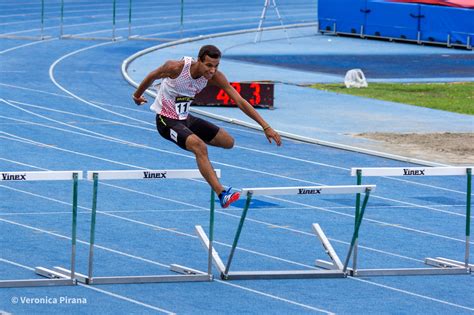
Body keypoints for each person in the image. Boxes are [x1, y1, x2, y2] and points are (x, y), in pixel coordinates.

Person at [132, 45, 282, 208]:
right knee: (199, 147)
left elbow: (239, 101)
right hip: (166, 120)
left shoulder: (215, 77)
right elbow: (152, 76)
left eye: (216, 66)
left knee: (228, 141)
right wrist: (137, 95)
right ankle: (222, 193)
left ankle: (191, 142)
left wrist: (266, 127)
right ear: (199, 60)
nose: (212, 70)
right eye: (209, 65)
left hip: (185, 119)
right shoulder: (176, 68)